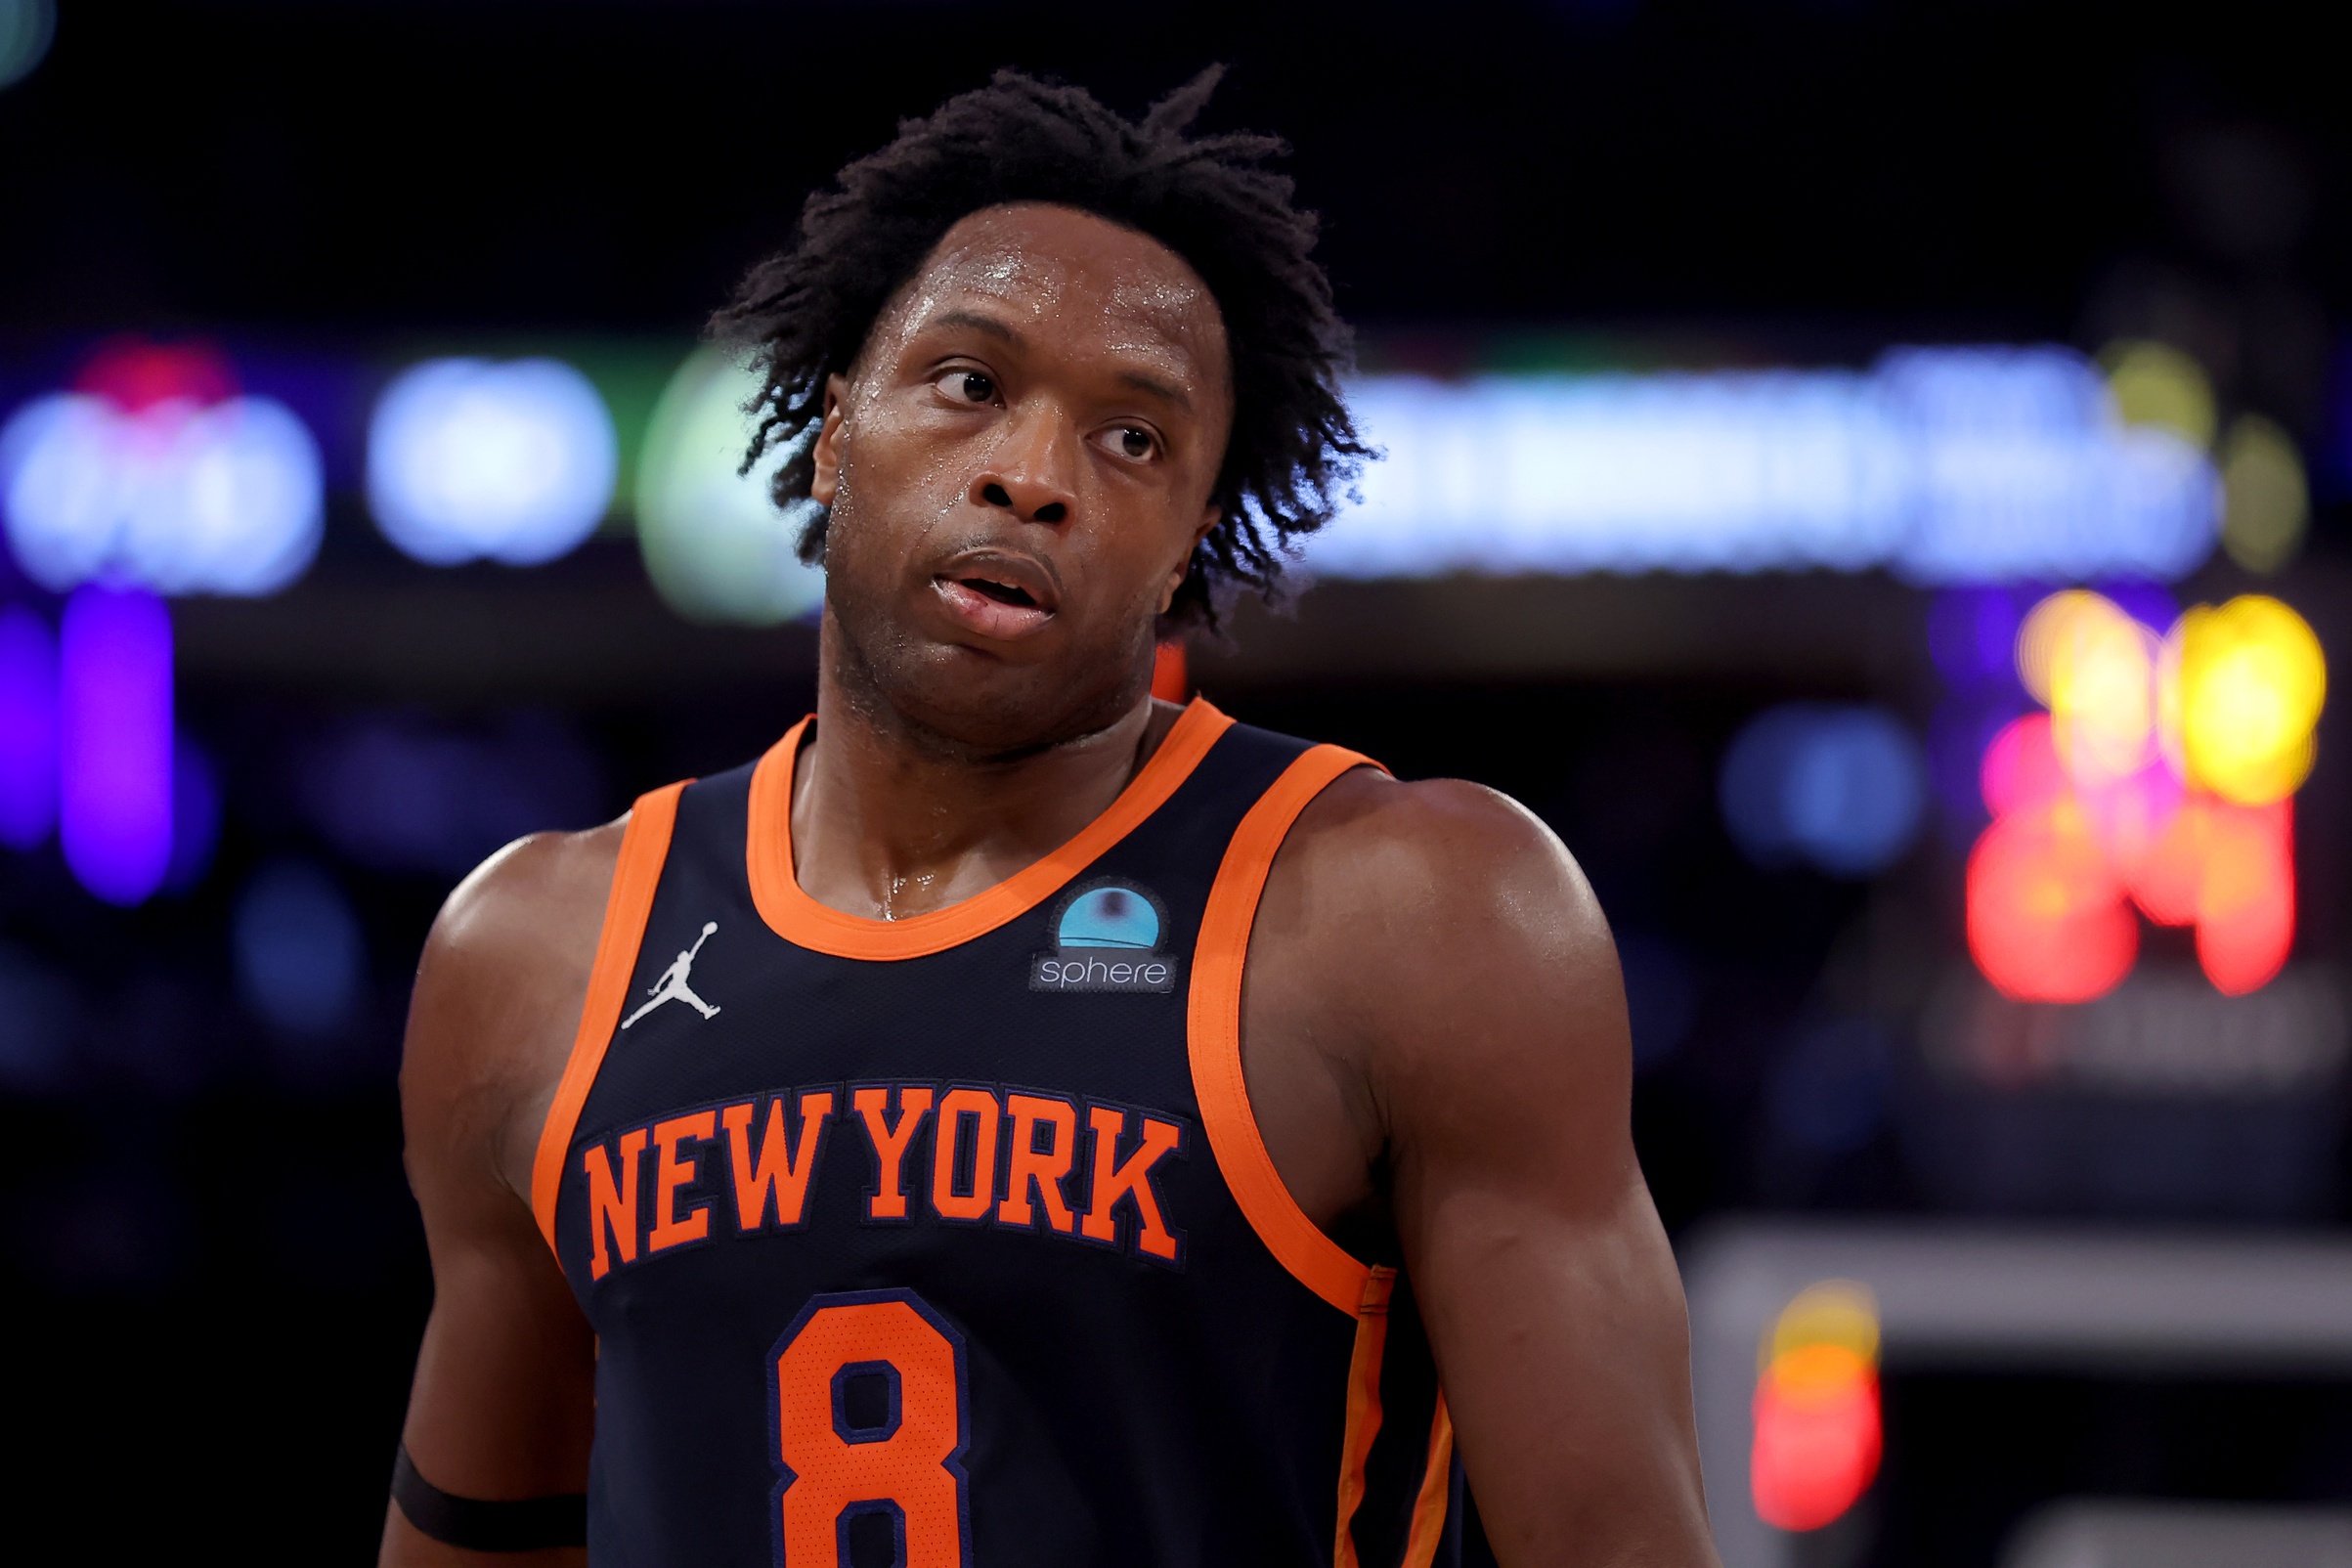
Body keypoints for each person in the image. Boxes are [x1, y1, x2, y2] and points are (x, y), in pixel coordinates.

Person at [384, 68, 1718, 1568]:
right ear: (834, 433)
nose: (1032, 477)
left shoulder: (1415, 910)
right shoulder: (536, 949)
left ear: (1187, 548)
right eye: (968, 384)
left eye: (1132, 439)